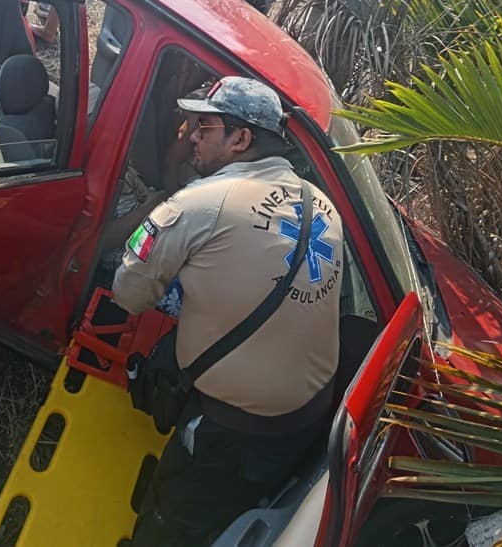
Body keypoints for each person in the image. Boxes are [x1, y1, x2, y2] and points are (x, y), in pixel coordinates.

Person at [113, 76, 343, 546]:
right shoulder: (324, 206)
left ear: (241, 139)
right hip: (310, 420)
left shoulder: (197, 205)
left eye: (205, 126)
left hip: (235, 432)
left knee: (173, 524)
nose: (191, 135)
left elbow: (127, 294)